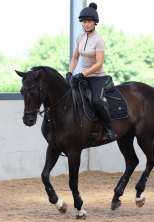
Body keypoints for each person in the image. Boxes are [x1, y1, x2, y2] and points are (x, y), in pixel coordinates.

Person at [66, 2, 117, 140]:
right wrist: (70, 73)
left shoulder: (98, 39)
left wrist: (82, 74)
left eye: (89, 21)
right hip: (83, 77)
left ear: (95, 23)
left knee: (96, 101)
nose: (86, 24)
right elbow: (75, 58)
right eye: (84, 21)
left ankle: (110, 129)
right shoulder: (79, 38)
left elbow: (99, 63)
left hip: (97, 77)